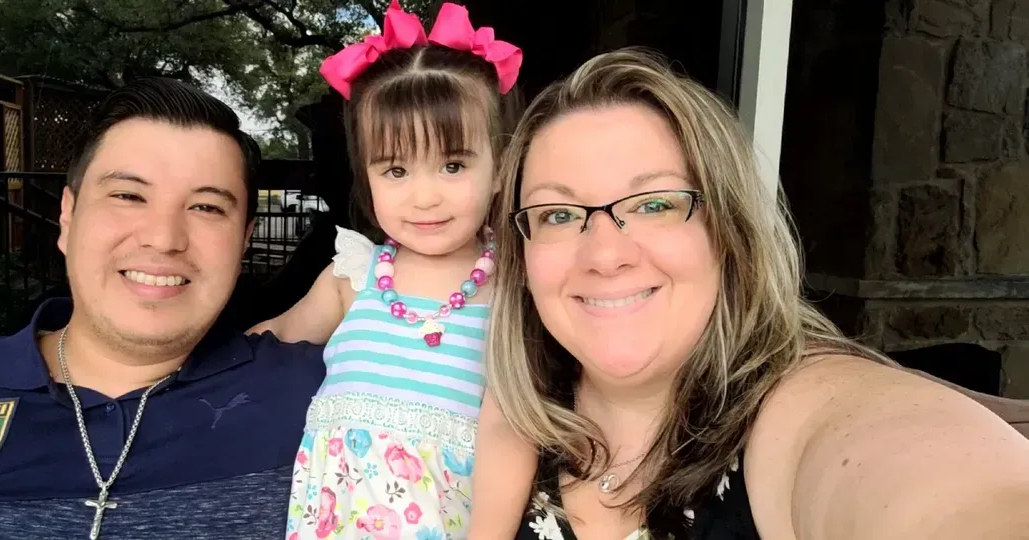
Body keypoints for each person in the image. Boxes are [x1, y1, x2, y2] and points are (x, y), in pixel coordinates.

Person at [477, 49, 1029, 539]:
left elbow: (933, 482)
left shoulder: (796, 412)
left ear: (730, 232)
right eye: (558, 214)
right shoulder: (498, 423)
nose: (603, 254)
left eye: (654, 204)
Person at [0, 78, 326, 539]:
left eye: (206, 207)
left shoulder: (326, 396)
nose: (164, 238)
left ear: (244, 240)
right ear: (68, 217)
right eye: (128, 196)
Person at [248, 2, 529, 538]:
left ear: (499, 168)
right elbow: (272, 340)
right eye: (396, 169)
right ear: (367, 175)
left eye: (453, 165)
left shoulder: (515, 286)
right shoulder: (353, 276)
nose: (424, 196)